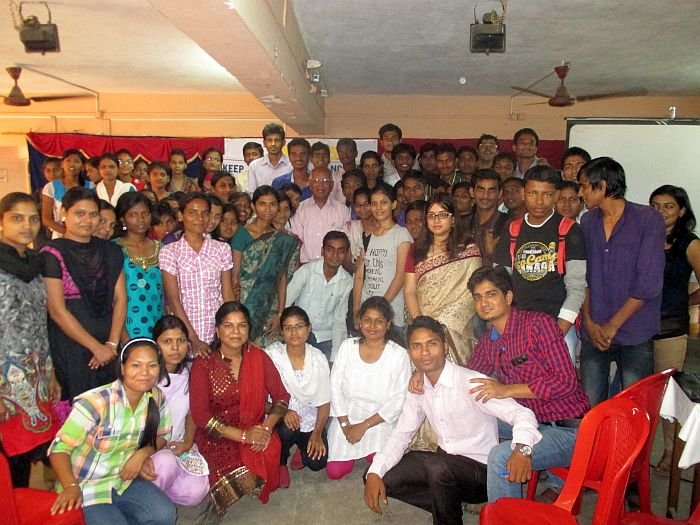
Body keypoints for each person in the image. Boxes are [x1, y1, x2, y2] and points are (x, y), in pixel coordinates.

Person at [364, 317, 541, 525]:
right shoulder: (418, 387)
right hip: (444, 465)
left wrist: (522, 450)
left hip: (480, 473)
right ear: (410, 352)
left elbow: (522, 414)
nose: (425, 352)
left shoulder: (471, 382)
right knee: (378, 474)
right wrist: (374, 472)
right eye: (417, 346)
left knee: (437, 466)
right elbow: (402, 434)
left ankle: (448, 514)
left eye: (432, 343)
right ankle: (448, 503)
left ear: (445, 346)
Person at [465, 267, 590, 502]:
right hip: (533, 422)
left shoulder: (538, 325)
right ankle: (491, 489)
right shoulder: (490, 341)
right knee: (473, 417)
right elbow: (467, 378)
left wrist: (506, 390)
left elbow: (565, 382)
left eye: (491, 294)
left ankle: (506, 511)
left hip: (569, 430)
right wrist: (429, 374)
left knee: (501, 456)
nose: (483, 303)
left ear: (508, 297)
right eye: (477, 297)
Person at [48, 338, 176, 525]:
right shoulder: (95, 402)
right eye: (136, 365)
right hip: (87, 487)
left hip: (122, 481)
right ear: (122, 368)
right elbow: (59, 449)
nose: (145, 372)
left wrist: (143, 454)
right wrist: (70, 486)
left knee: (165, 514)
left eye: (152, 366)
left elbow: (163, 434)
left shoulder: (156, 397)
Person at [189, 302, 290, 518]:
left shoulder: (259, 357)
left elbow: (281, 397)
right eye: (228, 325)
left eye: (242, 325)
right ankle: (222, 498)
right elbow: (201, 416)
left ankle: (238, 488)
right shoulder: (203, 364)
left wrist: (265, 429)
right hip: (218, 434)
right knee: (238, 472)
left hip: (255, 427)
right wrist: (244, 436)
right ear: (217, 331)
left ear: (248, 329)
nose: (236, 331)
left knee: (266, 454)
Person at [578, 157, 665, 406]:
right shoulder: (588, 221)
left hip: (635, 329)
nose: (580, 193)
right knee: (591, 406)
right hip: (594, 331)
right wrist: (589, 322)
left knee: (635, 406)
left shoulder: (648, 219)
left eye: (584, 185)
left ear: (602, 186)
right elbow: (583, 276)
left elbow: (648, 282)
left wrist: (613, 326)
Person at [494, 166, 587, 363]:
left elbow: (577, 288)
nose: (539, 201)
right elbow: (499, 282)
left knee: (561, 371)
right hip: (516, 324)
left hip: (557, 323)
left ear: (556, 196)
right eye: (533, 193)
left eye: (547, 194)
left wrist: (555, 335)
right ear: (523, 194)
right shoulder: (512, 230)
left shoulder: (569, 231)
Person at [41, 187, 126, 401]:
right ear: (64, 213)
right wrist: (95, 347)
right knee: (79, 410)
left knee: (111, 407)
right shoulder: (52, 253)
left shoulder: (111, 251)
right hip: (72, 346)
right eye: (80, 213)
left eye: (93, 214)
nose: (87, 220)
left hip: (109, 344)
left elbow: (120, 299)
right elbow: (57, 310)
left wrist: (111, 344)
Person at [0, 193, 60, 487]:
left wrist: (51, 374)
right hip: (4, 378)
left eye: (33, 219)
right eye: (17, 218)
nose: (27, 225)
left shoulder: (36, 265)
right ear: (1, 222)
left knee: (25, 458)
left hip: (35, 375)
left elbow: (41, 323)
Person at [327, 297, 411, 480]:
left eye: (379, 321)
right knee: (335, 472)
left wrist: (363, 426)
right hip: (347, 418)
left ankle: (375, 449)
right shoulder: (347, 347)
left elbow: (399, 399)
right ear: (360, 322)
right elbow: (334, 386)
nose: (372, 326)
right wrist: (345, 425)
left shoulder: (398, 355)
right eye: (367, 320)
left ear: (388, 324)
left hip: (379, 421)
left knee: (381, 468)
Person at [648, 185, 700, 475]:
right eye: (655, 205)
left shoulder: (689, 243)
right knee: (642, 395)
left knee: (669, 395)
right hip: (639, 327)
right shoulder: (644, 237)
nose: (661, 211)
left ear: (681, 211)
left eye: (668, 206)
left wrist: (685, 301)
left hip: (670, 328)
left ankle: (670, 452)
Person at [405, 193, 482, 365]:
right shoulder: (416, 249)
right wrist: (420, 322)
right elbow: (409, 290)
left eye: (442, 215)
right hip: (423, 323)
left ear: (453, 219)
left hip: (457, 328)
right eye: (431, 215)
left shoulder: (468, 249)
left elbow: (472, 292)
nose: (436, 220)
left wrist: (443, 322)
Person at [159, 192, 235, 357]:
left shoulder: (222, 249)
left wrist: (231, 327)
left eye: (205, 213)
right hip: (184, 333)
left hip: (216, 330)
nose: (199, 218)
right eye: (192, 212)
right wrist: (193, 339)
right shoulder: (170, 252)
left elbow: (227, 293)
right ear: (181, 215)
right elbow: (174, 300)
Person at [265, 306, 331, 487]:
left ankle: (302, 448)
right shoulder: (271, 357)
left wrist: (317, 434)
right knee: (288, 429)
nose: (294, 333)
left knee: (318, 463)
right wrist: (283, 411)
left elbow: (324, 402)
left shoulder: (318, 359)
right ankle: (281, 461)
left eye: (299, 326)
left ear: (309, 329)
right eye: (288, 328)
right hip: (280, 419)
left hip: (309, 420)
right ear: (282, 331)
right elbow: (260, 402)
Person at [149, 316, 210, 506]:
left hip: (178, 444)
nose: (175, 348)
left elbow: (193, 411)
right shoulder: (146, 376)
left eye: (181, 341)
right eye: (167, 341)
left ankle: (160, 489)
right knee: (165, 463)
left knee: (196, 493)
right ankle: (145, 500)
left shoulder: (191, 372)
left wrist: (187, 443)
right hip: (148, 449)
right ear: (156, 345)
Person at [232, 185, 300, 346]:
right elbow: (235, 275)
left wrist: (280, 313)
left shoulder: (281, 239)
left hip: (271, 306)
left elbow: (282, 278)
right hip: (246, 303)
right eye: (262, 204)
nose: (268, 209)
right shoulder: (242, 234)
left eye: (272, 204)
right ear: (253, 206)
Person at [353, 183, 412, 331]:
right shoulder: (367, 236)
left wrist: (380, 308)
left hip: (390, 311)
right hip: (366, 309)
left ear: (393, 204)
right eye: (374, 203)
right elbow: (359, 276)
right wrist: (356, 309)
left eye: (383, 202)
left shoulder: (401, 234)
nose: (378, 207)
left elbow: (400, 277)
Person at [286, 231, 353, 361]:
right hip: (299, 334)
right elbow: (286, 301)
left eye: (340, 251)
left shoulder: (347, 282)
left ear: (346, 254)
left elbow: (339, 321)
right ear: (322, 251)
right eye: (330, 250)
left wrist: (334, 357)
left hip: (326, 338)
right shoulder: (307, 271)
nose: (335, 255)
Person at [115, 192, 163, 339]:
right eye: (133, 215)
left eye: (145, 213)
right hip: (126, 326)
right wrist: (123, 337)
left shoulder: (162, 248)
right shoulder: (114, 249)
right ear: (122, 219)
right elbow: (111, 299)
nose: (141, 219)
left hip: (159, 324)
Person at [291, 167, 350, 264]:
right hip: (305, 266)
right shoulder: (299, 209)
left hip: (334, 267)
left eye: (325, 181)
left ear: (331, 185)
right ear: (310, 185)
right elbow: (296, 242)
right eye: (316, 181)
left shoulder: (343, 211)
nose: (321, 185)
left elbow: (345, 243)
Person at [41, 149, 95, 238]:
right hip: (60, 236)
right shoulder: (51, 187)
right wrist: (68, 233)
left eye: (76, 161)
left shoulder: (91, 187)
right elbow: (46, 219)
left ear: (83, 167)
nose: (72, 164)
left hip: (85, 235)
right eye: (68, 161)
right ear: (62, 164)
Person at [464, 169, 508, 268]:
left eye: (491, 190)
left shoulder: (509, 225)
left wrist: (492, 253)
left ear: (500, 193)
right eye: (481, 189)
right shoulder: (463, 224)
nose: (485, 196)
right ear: (472, 192)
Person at [247, 123, 291, 194]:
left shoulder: (291, 165)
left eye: (277, 140)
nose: (273, 144)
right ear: (264, 143)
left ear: (283, 142)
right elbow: (251, 193)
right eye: (270, 140)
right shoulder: (254, 166)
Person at [271, 137, 312, 201]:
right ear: (289, 157)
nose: (298, 158)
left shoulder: (317, 183)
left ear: (309, 157)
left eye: (302, 154)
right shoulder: (278, 183)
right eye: (294, 154)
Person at [346, 186, 378, 264]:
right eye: (358, 205)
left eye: (366, 204)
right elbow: (347, 261)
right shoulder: (350, 228)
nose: (362, 209)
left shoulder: (382, 227)